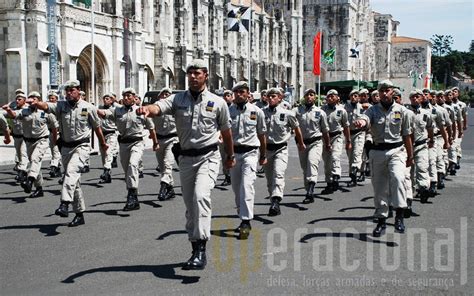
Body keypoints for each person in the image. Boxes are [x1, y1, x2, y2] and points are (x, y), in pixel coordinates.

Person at [138, 59, 234, 270]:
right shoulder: (177, 99)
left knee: (201, 197)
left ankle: (201, 247)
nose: (192, 76)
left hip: (208, 157)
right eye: (190, 73)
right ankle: (194, 247)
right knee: (191, 206)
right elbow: (159, 106)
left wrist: (230, 156)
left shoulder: (218, 102)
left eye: (197, 73)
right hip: (186, 160)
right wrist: (147, 109)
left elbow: (226, 132)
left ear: (206, 75)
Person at [33, 80, 108, 227]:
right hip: (66, 148)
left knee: (71, 174)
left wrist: (103, 144)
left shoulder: (88, 107)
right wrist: (36, 103)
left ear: (78, 90)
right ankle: (79, 214)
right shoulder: (61, 106)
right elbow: (46, 106)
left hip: (82, 146)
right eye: (66, 90)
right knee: (74, 182)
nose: (68, 93)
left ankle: (64, 203)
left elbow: (97, 127)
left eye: (71, 90)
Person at [354, 80, 413, 237]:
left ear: (392, 91)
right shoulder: (372, 111)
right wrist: (361, 122)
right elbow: (365, 119)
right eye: (382, 91)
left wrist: (410, 155)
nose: (385, 93)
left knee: (399, 178)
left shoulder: (402, 111)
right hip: (378, 152)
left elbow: (407, 135)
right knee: (380, 188)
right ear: (378, 93)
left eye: (388, 90)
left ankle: (399, 215)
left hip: (397, 150)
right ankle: (381, 221)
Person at [98, 88, 157, 211]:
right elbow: (104, 113)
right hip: (124, 144)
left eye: (128, 96)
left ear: (134, 97)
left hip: (137, 142)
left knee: (133, 164)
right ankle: (134, 197)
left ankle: (131, 194)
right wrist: (92, 109)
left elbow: (151, 128)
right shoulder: (117, 110)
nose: (126, 98)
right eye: (124, 96)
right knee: (127, 171)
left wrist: (155, 143)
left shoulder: (141, 110)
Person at [228, 81, 267, 239]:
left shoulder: (256, 111)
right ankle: (242, 215)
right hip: (234, 155)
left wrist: (263, 156)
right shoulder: (228, 111)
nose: (238, 94)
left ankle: (246, 220)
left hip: (250, 153)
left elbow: (262, 135)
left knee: (246, 186)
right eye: (236, 92)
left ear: (248, 93)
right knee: (237, 190)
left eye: (241, 91)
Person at [3, 91, 59, 198]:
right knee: (35, 163)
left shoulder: (47, 112)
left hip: (42, 140)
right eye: (30, 98)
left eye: (34, 98)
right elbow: (14, 115)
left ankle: (29, 180)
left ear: (39, 100)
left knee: (35, 159)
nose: (32, 100)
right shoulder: (24, 112)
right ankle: (39, 188)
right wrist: (8, 109)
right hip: (28, 141)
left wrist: (55, 141)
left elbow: (54, 127)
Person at [263, 87, 305, 216]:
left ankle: (276, 200)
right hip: (266, 150)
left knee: (278, 174)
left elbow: (296, 129)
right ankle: (273, 201)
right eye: (269, 96)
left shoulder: (288, 114)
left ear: (280, 98)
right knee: (270, 179)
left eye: (274, 96)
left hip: (281, 148)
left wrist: (301, 143)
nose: (271, 98)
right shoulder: (261, 113)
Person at [294, 88, 330, 203]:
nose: (309, 97)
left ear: (315, 98)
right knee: (305, 168)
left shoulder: (320, 113)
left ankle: (310, 190)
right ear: (304, 97)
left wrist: (328, 144)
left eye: (312, 95)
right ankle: (308, 188)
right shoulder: (297, 111)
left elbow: (325, 130)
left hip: (316, 142)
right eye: (307, 95)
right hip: (302, 143)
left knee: (312, 162)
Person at [321, 89, 351, 194]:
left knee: (335, 156)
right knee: (327, 161)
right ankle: (329, 183)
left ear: (337, 98)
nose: (330, 98)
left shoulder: (342, 111)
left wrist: (348, 140)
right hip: (325, 138)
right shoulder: (322, 110)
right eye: (328, 96)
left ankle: (336, 176)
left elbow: (346, 126)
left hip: (337, 136)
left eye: (333, 96)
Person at [407, 90, 434, 204]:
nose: (415, 99)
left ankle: (423, 189)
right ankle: (409, 197)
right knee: (409, 173)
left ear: (421, 98)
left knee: (422, 167)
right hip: (408, 147)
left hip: (421, 145)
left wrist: (431, 140)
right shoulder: (405, 112)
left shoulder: (426, 114)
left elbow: (430, 128)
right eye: (412, 97)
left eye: (417, 96)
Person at [152, 87, 178, 201]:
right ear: (159, 96)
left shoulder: (176, 108)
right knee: (162, 166)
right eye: (163, 94)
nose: (166, 95)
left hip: (172, 139)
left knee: (168, 164)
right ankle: (170, 188)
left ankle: (163, 186)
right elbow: (150, 126)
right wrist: (154, 141)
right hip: (159, 140)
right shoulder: (155, 108)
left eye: (168, 94)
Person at [345, 89, 366, 186]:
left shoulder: (363, 107)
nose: (353, 97)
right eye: (352, 96)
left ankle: (356, 170)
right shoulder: (345, 107)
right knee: (350, 156)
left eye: (356, 96)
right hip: (349, 134)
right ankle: (352, 177)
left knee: (357, 153)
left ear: (359, 97)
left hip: (359, 133)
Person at [97, 93, 119, 184]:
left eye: (108, 98)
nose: (106, 100)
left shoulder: (114, 109)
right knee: (103, 155)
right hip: (102, 134)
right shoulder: (100, 107)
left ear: (111, 100)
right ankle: (107, 175)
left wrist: (90, 108)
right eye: (104, 98)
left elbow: (102, 114)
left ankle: (106, 170)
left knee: (108, 152)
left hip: (111, 133)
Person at [7, 92, 29, 182]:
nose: (17, 101)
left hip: (25, 136)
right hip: (16, 136)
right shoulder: (14, 109)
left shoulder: (27, 110)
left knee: (23, 153)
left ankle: (21, 172)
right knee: (19, 155)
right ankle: (24, 171)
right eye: (16, 99)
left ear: (24, 101)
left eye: (19, 99)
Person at [45, 91, 63, 178]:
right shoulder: (46, 110)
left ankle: (54, 166)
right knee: (54, 150)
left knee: (56, 151)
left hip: (58, 132)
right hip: (50, 132)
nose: (51, 99)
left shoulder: (59, 108)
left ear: (56, 99)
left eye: (53, 98)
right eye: (50, 98)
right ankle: (57, 166)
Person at [219, 89, 234, 186]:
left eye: (228, 95)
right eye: (225, 96)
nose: (226, 97)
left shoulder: (235, 108)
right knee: (224, 157)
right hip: (223, 137)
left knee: (233, 156)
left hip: (234, 137)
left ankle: (234, 175)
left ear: (232, 97)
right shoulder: (220, 108)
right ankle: (227, 176)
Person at [451, 87, 467, 170]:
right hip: (450, 127)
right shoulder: (448, 104)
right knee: (452, 145)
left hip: (458, 127)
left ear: (458, 94)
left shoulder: (462, 104)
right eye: (452, 92)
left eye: (455, 92)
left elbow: (464, 115)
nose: (454, 93)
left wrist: (464, 126)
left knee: (457, 144)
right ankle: (452, 162)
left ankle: (456, 161)